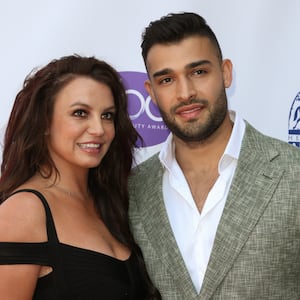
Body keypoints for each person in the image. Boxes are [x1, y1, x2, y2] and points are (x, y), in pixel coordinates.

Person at [128, 12, 300, 299]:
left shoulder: (292, 172)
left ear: (226, 72)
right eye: (167, 79)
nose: (185, 93)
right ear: (152, 93)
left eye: (198, 72)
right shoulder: (134, 189)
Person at [0, 55, 161, 299]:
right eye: (80, 113)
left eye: (107, 115)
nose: (98, 129)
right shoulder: (24, 211)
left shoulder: (114, 200)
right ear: (44, 122)